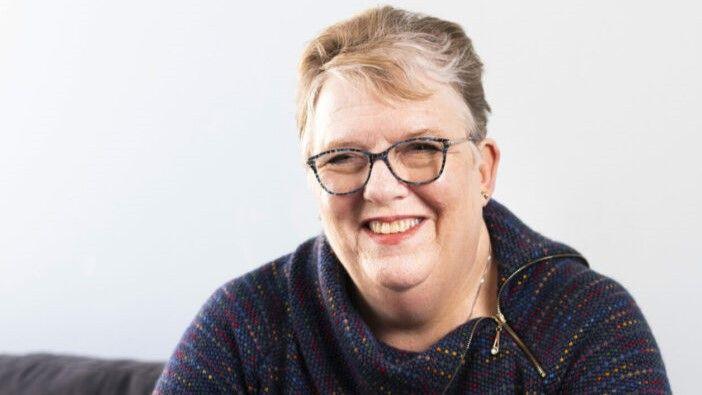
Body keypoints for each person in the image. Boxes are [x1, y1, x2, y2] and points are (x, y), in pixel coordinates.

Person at [153, 6, 670, 393]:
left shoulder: (585, 326)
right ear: (313, 182)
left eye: (422, 148)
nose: (379, 189)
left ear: (484, 168)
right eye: (342, 157)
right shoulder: (242, 330)